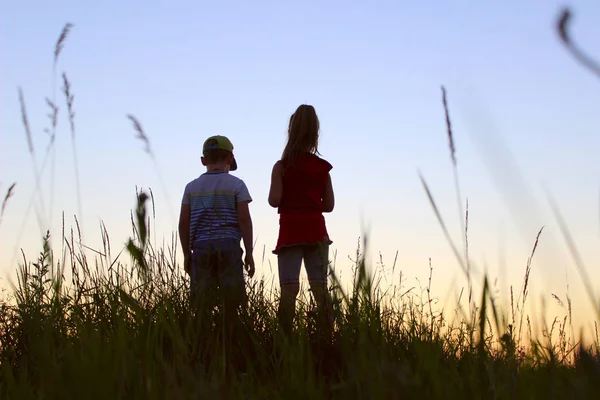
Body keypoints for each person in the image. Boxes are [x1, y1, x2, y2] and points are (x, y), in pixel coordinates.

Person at [178, 135, 255, 372]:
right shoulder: (236, 185)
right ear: (231, 159)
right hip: (229, 247)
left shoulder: (191, 188)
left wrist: (186, 253)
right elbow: (244, 218)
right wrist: (249, 252)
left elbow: (183, 222)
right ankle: (231, 348)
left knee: (201, 304)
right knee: (232, 303)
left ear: (203, 160)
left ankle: (202, 354)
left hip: (200, 248)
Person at [268, 104, 335, 339]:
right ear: (315, 132)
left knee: (289, 289)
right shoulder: (322, 168)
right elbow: (328, 206)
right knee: (320, 288)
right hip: (316, 230)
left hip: (291, 231)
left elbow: (274, 200)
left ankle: (285, 338)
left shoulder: (282, 166)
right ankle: (327, 337)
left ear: (291, 130)